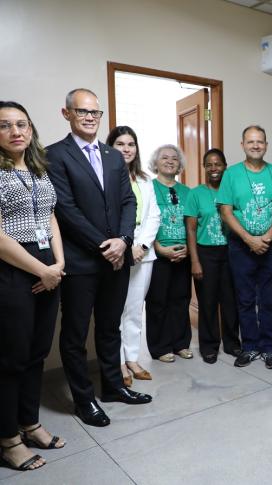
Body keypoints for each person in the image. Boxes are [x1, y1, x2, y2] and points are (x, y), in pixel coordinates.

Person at [46, 88, 151, 428]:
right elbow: (66, 209)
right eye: (82, 111)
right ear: (67, 114)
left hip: (116, 260)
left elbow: (127, 202)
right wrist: (106, 245)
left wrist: (123, 240)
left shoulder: (111, 155)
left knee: (109, 327)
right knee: (75, 334)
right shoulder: (54, 155)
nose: (90, 117)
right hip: (80, 262)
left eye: (95, 112)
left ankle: (113, 387)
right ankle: (84, 399)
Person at [0, 101, 65, 471]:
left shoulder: (40, 170)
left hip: (48, 268)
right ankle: (8, 439)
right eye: (5, 126)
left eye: (21, 124)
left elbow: (51, 216)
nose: (15, 131)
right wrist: (41, 270)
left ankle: (30, 423)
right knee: (11, 358)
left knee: (37, 353)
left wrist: (58, 264)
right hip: (13, 270)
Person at [218, 125, 272, 370]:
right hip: (240, 245)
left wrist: (268, 236)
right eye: (250, 141)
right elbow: (225, 211)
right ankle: (249, 347)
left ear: (266, 145)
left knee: (270, 299)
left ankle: (268, 348)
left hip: (271, 244)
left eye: (260, 141)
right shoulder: (232, 174)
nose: (255, 145)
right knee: (245, 299)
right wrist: (249, 238)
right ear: (242, 145)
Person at [107, 126, 160, 386]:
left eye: (131, 144)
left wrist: (142, 246)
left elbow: (154, 215)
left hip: (143, 253)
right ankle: (116, 361)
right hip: (115, 253)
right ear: (110, 147)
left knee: (135, 310)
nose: (126, 149)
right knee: (113, 310)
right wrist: (126, 247)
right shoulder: (104, 177)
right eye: (120, 144)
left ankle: (132, 358)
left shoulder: (146, 180)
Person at [184, 148, 241, 364]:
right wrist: (195, 260)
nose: (214, 168)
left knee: (230, 300)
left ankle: (232, 342)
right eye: (209, 164)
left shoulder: (233, 190)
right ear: (204, 168)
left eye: (218, 164)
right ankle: (209, 345)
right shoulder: (195, 194)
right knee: (207, 301)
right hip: (205, 252)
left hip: (231, 250)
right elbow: (190, 229)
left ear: (225, 166)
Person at [145, 144, 192, 363]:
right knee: (158, 301)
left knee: (181, 300)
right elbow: (143, 222)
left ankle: (181, 343)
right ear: (156, 163)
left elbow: (193, 224)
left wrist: (188, 250)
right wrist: (159, 248)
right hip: (158, 254)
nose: (170, 161)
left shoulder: (187, 192)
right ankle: (161, 346)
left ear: (179, 164)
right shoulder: (148, 188)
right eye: (164, 157)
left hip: (184, 254)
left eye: (174, 158)